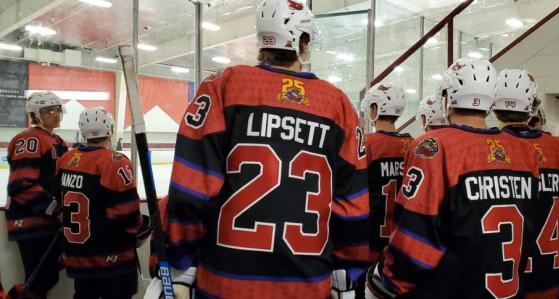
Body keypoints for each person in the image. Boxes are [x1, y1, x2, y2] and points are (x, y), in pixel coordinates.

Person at [153, 0, 370, 298]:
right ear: (303, 43)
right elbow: (353, 206)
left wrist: (182, 260)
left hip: (226, 282)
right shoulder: (338, 105)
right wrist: (346, 274)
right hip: (307, 284)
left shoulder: (225, 86)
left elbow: (191, 189)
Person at [365, 58, 541, 298]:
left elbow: (417, 235)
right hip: (508, 287)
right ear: (490, 102)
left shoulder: (435, 145)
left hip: (452, 287)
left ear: (447, 98)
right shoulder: (524, 151)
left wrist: (389, 281)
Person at [492, 69, 559, 298]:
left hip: (510, 273)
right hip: (553, 267)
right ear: (532, 105)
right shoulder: (558, 146)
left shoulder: (493, 146)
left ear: (494, 105)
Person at [56, 107, 150, 299]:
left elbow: (59, 201)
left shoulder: (66, 159)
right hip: (111, 258)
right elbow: (126, 214)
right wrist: (142, 227)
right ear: (110, 129)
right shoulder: (114, 161)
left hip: (78, 256)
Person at [6, 91, 67, 299]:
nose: (56, 114)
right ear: (35, 114)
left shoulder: (58, 141)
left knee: (49, 277)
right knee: (38, 279)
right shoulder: (29, 139)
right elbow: (21, 185)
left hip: (48, 223)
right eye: (49, 110)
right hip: (31, 223)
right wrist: (55, 208)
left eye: (58, 109)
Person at [361, 83, 413, 264]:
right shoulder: (413, 144)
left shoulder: (367, 143)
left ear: (375, 109)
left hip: (372, 242)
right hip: (403, 242)